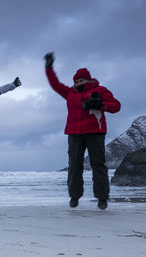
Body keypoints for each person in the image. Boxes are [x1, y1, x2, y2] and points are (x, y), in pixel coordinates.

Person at [44, 51, 121, 209]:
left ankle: (102, 198)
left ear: (89, 79)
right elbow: (55, 85)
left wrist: (100, 105)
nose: (78, 83)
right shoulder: (70, 93)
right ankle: (74, 196)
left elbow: (116, 106)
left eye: (81, 80)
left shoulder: (100, 90)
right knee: (74, 166)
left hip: (95, 132)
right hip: (74, 133)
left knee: (98, 165)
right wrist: (49, 67)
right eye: (76, 81)